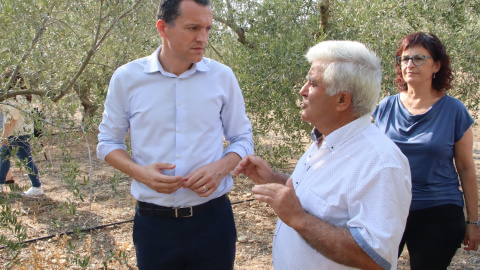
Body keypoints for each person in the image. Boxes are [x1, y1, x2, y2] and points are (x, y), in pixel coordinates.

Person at [96, 0, 253, 269]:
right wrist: (140, 172)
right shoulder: (126, 78)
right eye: (193, 28)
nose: (202, 38)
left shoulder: (222, 77)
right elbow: (108, 143)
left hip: (213, 223)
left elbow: (243, 139)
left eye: (207, 28)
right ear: (162, 28)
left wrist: (220, 169)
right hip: (154, 227)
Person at [234, 40, 412, 269]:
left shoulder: (382, 164)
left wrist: (299, 219)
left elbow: (375, 258)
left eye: (313, 83)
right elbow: (324, 199)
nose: (302, 90)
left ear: (342, 100)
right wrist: (273, 179)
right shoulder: (326, 139)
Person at [372, 32, 480, 268]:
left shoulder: (454, 111)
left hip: (438, 212)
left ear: (437, 65)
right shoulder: (384, 107)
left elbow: (465, 167)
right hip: (388, 210)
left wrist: (473, 222)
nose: (409, 65)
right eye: (404, 59)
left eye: (419, 58)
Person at [0, 96, 43, 196]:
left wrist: (5, 136)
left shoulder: (11, 98)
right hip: (21, 133)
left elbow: (11, 119)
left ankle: (37, 186)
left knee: (26, 159)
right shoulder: (22, 97)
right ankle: (1, 184)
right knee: (3, 157)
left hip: (16, 134)